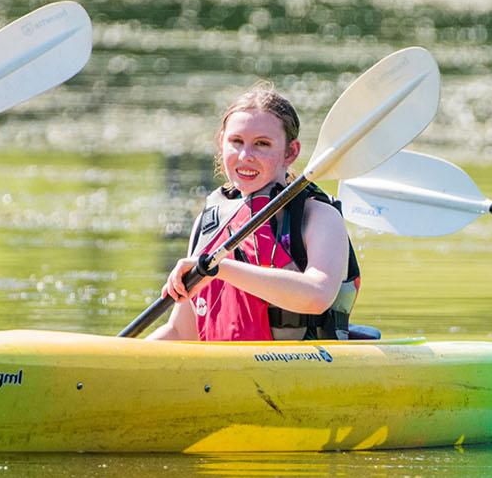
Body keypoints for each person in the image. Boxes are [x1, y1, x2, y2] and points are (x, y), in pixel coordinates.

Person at [148, 83, 362, 341]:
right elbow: (181, 331)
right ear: (221, 143)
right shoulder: (210, 222)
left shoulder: (318, 215)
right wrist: (115, 360)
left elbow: (318, 296)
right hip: (222, 372)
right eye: (236, 142)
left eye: (261, 144)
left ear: (290, 152)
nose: (245, 155)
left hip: (299, 368)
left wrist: (220, 267)